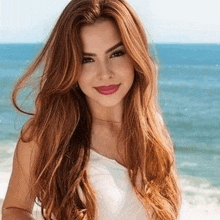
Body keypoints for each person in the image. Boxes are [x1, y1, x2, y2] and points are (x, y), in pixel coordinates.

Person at [2, 0, 182, 219]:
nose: (104, 73)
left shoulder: (153, 130)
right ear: (70, 65)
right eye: (87, 59)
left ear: (135, 54)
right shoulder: (45, 134)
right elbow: (14, 210)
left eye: (116, 54)